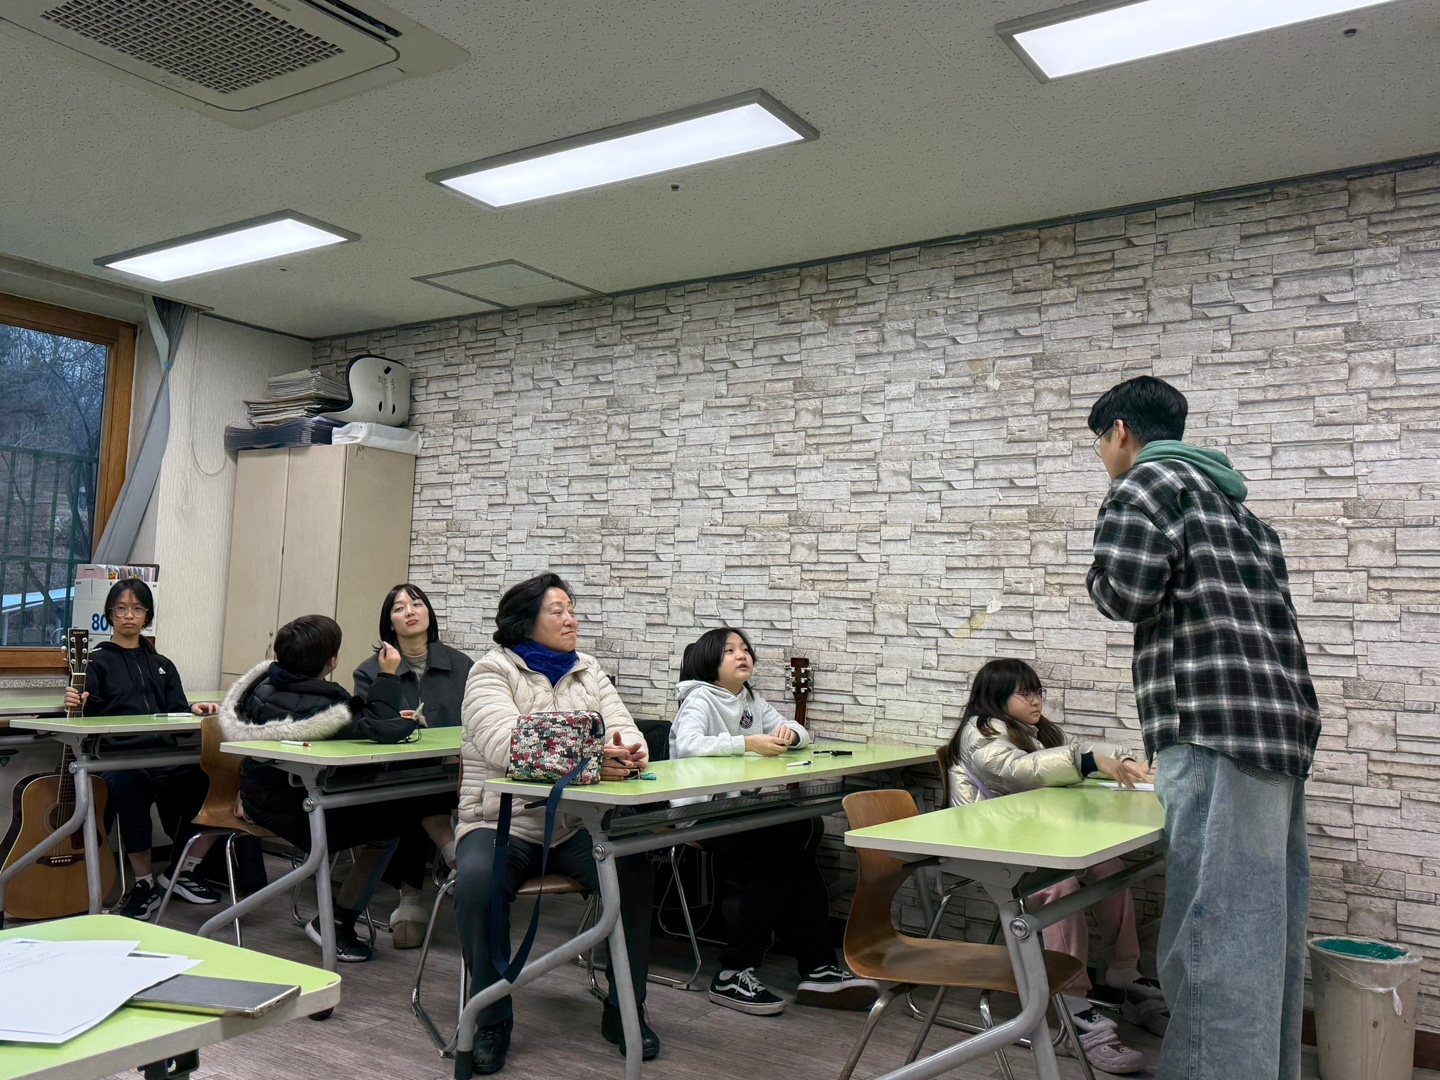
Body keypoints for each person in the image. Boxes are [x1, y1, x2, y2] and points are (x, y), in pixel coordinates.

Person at [1086, 375, 1320, 1080]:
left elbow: (1126, 593)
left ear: (1120, 432)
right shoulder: (1239, 510)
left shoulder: (1146, 483)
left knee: (1210, 937)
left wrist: (1096, 572)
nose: (1102, 457)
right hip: (1279, 733)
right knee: (1262, 940)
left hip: (1211, 727)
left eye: (1099, 443)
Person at [455, 572, 656, 1075]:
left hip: (573, 825)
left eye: (572, 609)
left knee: (633, 872)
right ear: (525, 621)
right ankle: (491, 1017)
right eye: (558, 610)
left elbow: (626, 731)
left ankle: (625, 1007)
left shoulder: (588, 670)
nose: (572, 620)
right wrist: (593, 761)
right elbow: (507, 744)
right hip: (499, 824)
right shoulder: (490, 671)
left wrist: (629, 754)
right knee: (477, 883)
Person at [948, 657, 1160, 1075]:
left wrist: (1125, 761)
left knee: (1110, 867)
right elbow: (1020, 770)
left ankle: (1122, 970)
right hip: (993, 848)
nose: (1036, 700)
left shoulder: (1034, 732)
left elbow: (1070, 759)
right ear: (995, 697)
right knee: (1060, 891)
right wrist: (1087, 762)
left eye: (1038, 692)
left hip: (1031, 839)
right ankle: (1073, 1002)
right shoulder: (980, 734)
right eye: (1025, 693)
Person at [218, 613, 454, 963]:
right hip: (295, 803)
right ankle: (337, 922)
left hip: (262, 790)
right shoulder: (327, 706)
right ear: (332, 661)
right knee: (389, 826)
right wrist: (388, 676)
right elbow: (379, 729)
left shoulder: (261, 685)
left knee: (394, 802)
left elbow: (365, 723)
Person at [671, 626, 879, 1015]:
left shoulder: (751, 699)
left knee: (796, 833)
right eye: (730, 650)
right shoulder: (699, 698)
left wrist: (790, 734)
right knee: (780, 846)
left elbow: (800, 732)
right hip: (698, 814)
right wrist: (747, 743)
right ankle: (746, 970)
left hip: (739, 810)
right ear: (708, 661)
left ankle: (811, 968)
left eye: (745, 649)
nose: (742, 655)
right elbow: (690, 745)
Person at [65, 577, 222, 920]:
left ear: (147, 615)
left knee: (213, 783)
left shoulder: (162, 663)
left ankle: (181, 872)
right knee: (130, 785)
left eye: (137, 609)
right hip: (116, 759)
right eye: (121, 608)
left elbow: (177, 710)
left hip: (164, 757)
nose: (129, 616)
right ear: (109, 613)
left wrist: (193, 710)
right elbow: (85, 714)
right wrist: (76, 702)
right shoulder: (94, 662)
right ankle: (144, 883)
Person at [353, 582, 470, 947]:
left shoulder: (462, 665)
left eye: (417, 604)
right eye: (399, 608)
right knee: (408, 789)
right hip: (396, 774)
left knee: (420, 787)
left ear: (428, 614)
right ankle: (443, 869)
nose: (410, 612)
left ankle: (412, 900)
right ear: (389, 622)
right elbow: (367, 724)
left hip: (457, 771)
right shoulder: (370, 670)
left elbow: (479, 720)